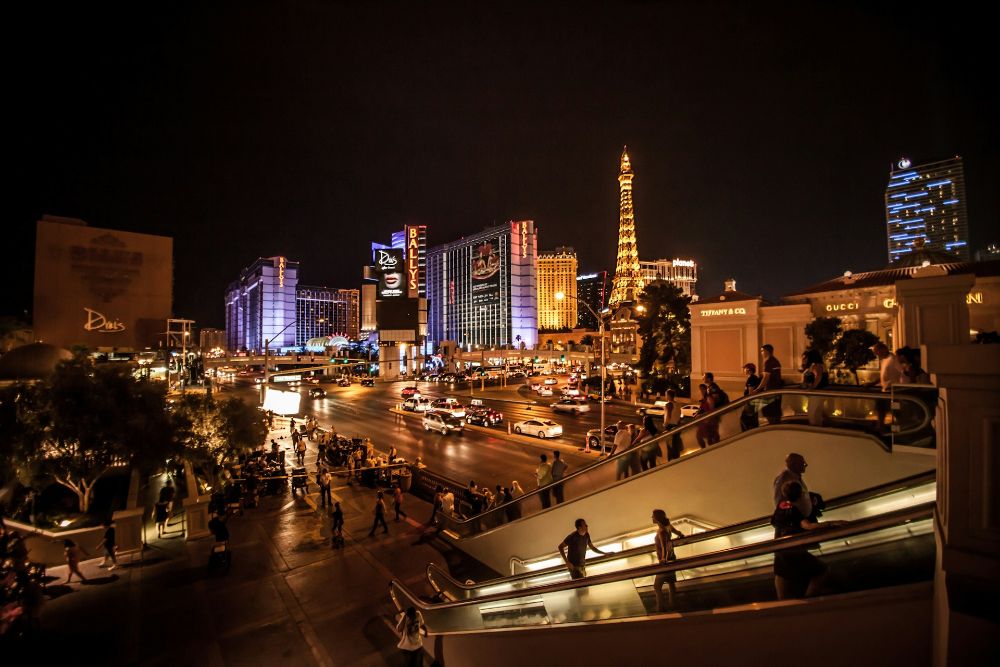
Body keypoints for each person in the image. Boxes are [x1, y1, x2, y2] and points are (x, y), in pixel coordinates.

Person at [772, 481, 844, 599]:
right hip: (794, 550)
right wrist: (831, 523)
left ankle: (784, 606)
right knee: (821, 570)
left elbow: (776, 525)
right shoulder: (795, 510)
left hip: (780, 551)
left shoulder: (780, 507)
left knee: (782, 580)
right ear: (800, 494)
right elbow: (808, 526)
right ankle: (810, 599)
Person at [652, 509, 685, 611]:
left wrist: (663, 560)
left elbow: (664, 547)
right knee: (671, 582)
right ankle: (672, 604)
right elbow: (679, 533)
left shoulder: (662, 531)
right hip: (672, 558)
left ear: (657, 518)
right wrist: (681, 536)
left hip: (665, 561)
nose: (651, 517)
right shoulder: (668, 527)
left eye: (653, 516)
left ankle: (660, 607)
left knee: (657, 586)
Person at [772, 453, 813, 519]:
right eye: (802, 463)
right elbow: (779, 502)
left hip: (804, 518)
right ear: (794, 464)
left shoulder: (796, 476)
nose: (806, 465)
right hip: (796, 520)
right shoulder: (783, 479)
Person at [800, 349, 829, 426]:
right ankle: (817, 426)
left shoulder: (817, 366)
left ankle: (815, 427)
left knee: (813, 412)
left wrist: (812, 388)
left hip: (817, 393)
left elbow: (818, 377)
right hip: (818, 393)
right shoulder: (820, 365)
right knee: (816, 411)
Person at [740, 362, 762, 431]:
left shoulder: (751, 379)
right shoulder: (754, 377)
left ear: (749, 369)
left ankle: (748, 434)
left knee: (744, 419)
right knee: (753, 421)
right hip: (755, 402)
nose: (744, 370)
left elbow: (751, 393)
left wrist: (747, 402)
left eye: (745, 368)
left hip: (751, 403)